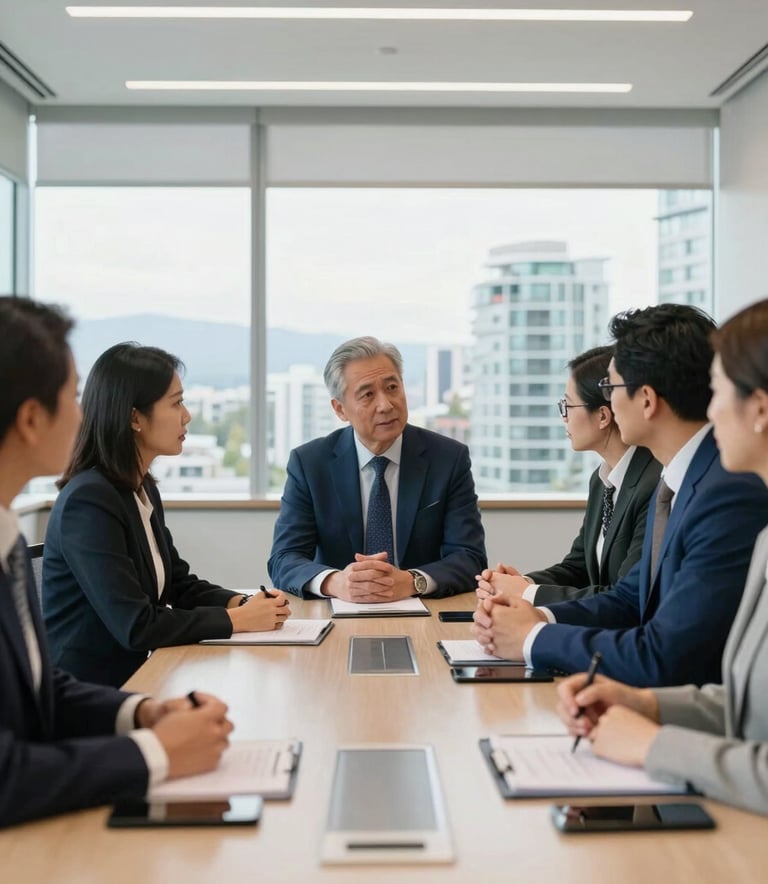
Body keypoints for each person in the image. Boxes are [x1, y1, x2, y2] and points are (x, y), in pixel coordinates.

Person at [0, 296, 233, 828]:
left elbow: (44, 689)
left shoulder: (8, 541)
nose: (83, 414)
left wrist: (143, 712)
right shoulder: (85, 498)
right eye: (73, 396)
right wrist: (157, 752)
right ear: (33, 418)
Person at [473, 303, 768, 687]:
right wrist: (536, 618)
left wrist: (531, 637)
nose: (608, 403)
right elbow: (632, 599)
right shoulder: (679, 479)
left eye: (611, 388)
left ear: (646, 399)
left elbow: (667, 655)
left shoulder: (727, 492)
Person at [557, 297, 768, 815]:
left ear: (759, 410)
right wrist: (644, 704)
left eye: (717, 391)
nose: (708, 410)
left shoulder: (728, 495)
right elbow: (747, 706)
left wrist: (651, 743)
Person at [43, 343, 291, 688]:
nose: (186, 415)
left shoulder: (140, 487)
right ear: (134, 418)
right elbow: (136, 625)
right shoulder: (89, 501)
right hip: (85, 693)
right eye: (176, 403)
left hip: (139, 676)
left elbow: (177, 583)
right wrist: (237, 619)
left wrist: (243, 601)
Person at [268, 336, 486, 601]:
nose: (385, 405)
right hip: (336, 613)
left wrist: (411, 581)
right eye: (368, 394)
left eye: (392, 387)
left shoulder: (448, 458)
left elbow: (470, 557)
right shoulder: (310, 463)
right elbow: (283, 559)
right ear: (340, 409)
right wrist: (336, 582)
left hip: (423, 612)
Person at [476, 346, 661, 605]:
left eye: (568, 405)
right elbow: (578, 568)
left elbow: (625, 596)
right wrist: (522, 584)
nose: (564, 418)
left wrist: (525, 593)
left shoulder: (654, 483)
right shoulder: (602, 480)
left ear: (603, 416)